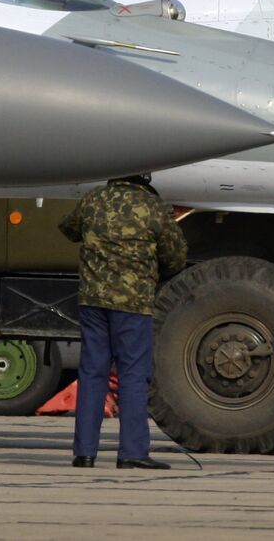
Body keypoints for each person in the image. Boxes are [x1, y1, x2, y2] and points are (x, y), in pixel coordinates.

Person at [59, 175, 186, 470]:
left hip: (92, 300)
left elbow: (68, 228)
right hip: (133, 304)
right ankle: (132, 452)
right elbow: (176, 256)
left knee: (92, 375)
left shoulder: (93, 200)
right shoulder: (154, 208)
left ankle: (84, 453)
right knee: (132, 374)